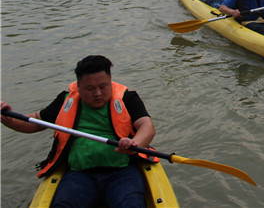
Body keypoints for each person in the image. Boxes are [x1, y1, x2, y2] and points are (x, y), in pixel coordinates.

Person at [0, 55, 155, 207]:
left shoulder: (127, 98)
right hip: (80, 175)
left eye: (103, 86)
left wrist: (134, 143)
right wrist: (9, 119)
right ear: (78, 86)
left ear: (110, 81)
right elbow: (35, 122)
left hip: (122, 173)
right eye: (90, 89)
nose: (98, 93)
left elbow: (147, 126)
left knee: (131, 204)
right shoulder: (66, 100)